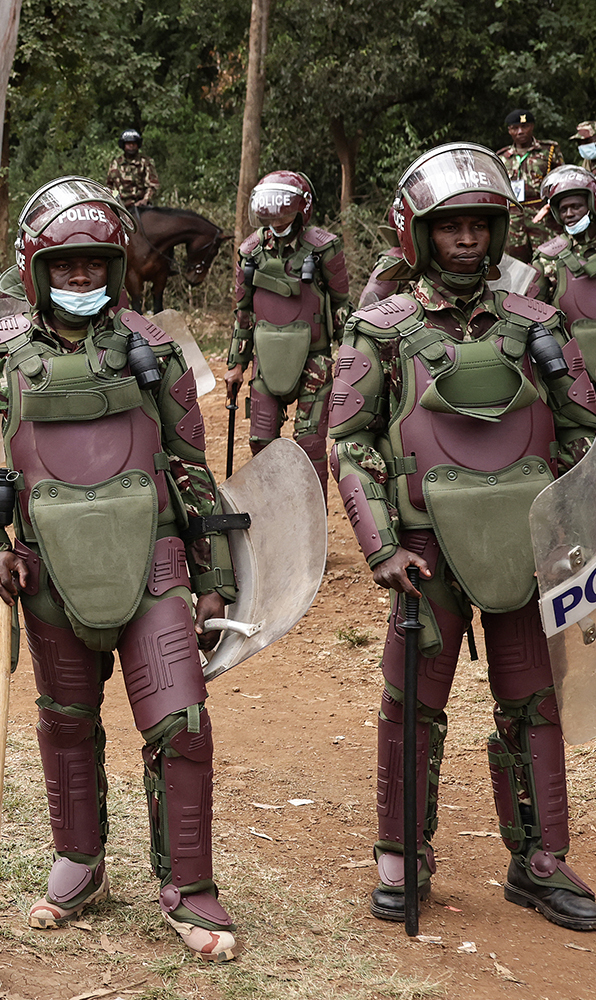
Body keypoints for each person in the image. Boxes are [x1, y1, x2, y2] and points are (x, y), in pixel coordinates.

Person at [0, 176, 239, 961]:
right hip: (44, 567)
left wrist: (217, 580)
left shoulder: (158, 344)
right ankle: (80, 862)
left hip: (154, 562)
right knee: (68, 724)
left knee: (181, 723)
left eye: (96, 267)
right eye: (67, 267)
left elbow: (192, 463)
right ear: (37, 267)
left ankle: (191, 887)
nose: (82, 281)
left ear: (116, 268)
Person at [329, 142, 596, 931]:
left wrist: (572, 539)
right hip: (425, 554)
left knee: (533, 702)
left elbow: (584, 431)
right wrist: (381, 547)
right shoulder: (379, 329)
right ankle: (402, 855)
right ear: (417, 234)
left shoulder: (539, 323)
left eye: (481, 225)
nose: (470, 240)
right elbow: (350, 443)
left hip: (525, 549)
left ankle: (540, 860)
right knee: (411, 704)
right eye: (451, 228)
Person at [223, 171, 349, 496]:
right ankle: (275, 515)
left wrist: (350, 358)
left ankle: (312, 524)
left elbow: (341, 306)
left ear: (301, 208)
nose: (277, 220)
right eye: (271, 212)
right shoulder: (249, 251)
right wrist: (236, 364)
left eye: (284, 211)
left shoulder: (324, 248)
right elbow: (243, 312)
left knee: (310, 444)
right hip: (265, 359)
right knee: (261, 441)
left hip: (314, 361)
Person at [535, 165, 596, 366]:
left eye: (576, 206)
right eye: (563, 209)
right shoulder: (547, 258)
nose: (569, 214)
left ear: (591, 204)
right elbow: (531, 313)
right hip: (577, 363)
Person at [498, 110, 564, 262]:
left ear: (532, 127)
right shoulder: (502, 157)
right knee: (514, 264)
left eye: (525, 126)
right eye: (515, 128)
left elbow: (561, 181)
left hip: (542, 214)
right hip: (513, 218)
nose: (520, 131)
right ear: (509, 130)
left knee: (550, 259)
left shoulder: (549, 150)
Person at [106, 129, 159, 209]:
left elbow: (153, 185)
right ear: (123, 145)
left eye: (134, 143)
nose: (131, 146)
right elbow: (109, 185)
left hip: (140, 206)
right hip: (119, 206)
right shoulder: (115, 163)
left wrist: (145, 200)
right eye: (128, 143)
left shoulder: (145, 162)